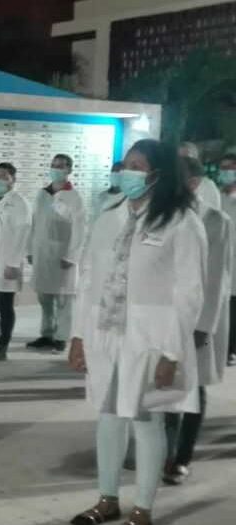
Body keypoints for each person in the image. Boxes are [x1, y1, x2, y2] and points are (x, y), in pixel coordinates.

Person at [68, 139, 205, 525]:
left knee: (147, 421)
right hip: (107, 334)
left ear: (158, 174)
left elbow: (189, 291)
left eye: (137, 166)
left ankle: (143, 507)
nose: (128, 172)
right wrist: (79, 335)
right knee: (109, 416)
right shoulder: (109, 214)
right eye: (126, 164)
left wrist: (173, 353)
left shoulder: (181, 220)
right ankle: (107, 498)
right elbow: (89, 277)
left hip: (152, 338)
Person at [162, 157, 232, 485]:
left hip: (196, 321)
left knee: (192, 388)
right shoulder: (162, 215)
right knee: (162, 385)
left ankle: (182, 458)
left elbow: (217, 277)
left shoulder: (216, 220)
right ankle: (161, 451)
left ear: (193, 183)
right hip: (163, 315)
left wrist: (204, 325)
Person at [27, 154, 85, 353]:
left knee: (63, 298)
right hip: (42, 253)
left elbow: (79, 229)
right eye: (54, 165)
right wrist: (29, 249)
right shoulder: (42, 194)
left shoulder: (74, 197)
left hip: (63, 254)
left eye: (62, 166)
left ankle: (62, 337)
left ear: (69, 170)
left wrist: (71, 255)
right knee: (44, 297)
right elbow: (34, 223)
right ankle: (47, 333)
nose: (57, 169)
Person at [0, 162, 31, 362]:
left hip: (7, 263)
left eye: (3, 176)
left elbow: (22, 235)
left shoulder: (20, 203)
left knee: (5, 306)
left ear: (13, 179)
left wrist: (13, 263)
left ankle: (3, 344)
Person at [219, 153, 236, 367]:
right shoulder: (215, 195)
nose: (226, 173)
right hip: (220, 259)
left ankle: (231, 349)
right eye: (223, 168)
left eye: (230, 168)